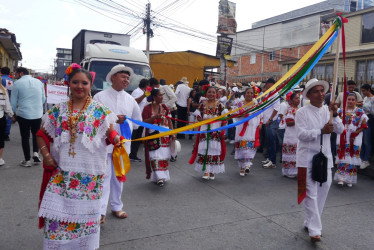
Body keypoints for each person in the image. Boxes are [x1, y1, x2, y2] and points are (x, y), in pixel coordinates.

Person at [37, 64, 119, 249]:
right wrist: (46, 155)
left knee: (85, 223)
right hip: (62, 174)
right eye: (75, 82)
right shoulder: (58, 110)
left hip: (89, 176)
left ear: (90, 85)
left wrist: (117, 140)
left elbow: (110, 133)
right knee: (56, 220)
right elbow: (41, 134)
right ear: (68, 83)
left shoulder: (100, 111)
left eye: (84, 83)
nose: (79, 86)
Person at [296, 78, 344, 242]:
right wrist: (320, 131)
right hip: (306, 158)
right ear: (309, 95)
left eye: (322, 91)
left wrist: (335, 114)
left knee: (323, 192)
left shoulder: (328, 110)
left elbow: (340, 129)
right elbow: (301, 134)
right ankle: (315, 230)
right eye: (316, 91)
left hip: (325, 159)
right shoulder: (301, 112)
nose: (320, 94)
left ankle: (310, 222)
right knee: (311, 194)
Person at [93, 64, 142, 223]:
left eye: (128, 78)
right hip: (104, 144)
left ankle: (116, 207)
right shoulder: (100, 96)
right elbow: (94, 119)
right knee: (104, 177)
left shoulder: (131, 100)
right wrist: (114, 119)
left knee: (119, 177)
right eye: (123, 77)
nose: (126, 80)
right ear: (113, 77)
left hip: (122, 146)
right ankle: (100, 212)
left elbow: (137, 122)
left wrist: (126, 122)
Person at [11, 67, 45, 167]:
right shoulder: (39, 82)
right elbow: (43, 99)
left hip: (23, 114)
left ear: (21, 73)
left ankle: (27, 160)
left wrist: (12, 114)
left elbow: (13, 101)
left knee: (25, 137)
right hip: (37, 113)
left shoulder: (17, 83)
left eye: (16, 74)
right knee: (36, 134)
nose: (15, 76)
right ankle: (35, 153)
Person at [190, 86, 226, 180]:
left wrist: (222, 130)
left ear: (216, 94)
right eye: (209, 92)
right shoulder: (202, 104)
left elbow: (224, 118)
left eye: (213, 92)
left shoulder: (220, 105)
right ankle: (206, 170)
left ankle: (212, 171)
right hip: (205, 129)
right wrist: (204, 120)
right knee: (205, 148)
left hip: (215, 130)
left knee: (214, 149)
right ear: (206, 93)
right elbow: (198, 116)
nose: (211, 94)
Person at [142, 88, 175, 187]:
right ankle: (159, 177)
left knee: (164, 157)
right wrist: (153, 118)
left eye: (162, 95)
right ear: (154, 97)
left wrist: (172, 133)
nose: (162, 97)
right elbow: (144, 121)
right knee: (155, 156)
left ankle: (160, 176)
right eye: (160, 95)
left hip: (164, 136)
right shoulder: (147, 108)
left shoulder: (165, 107)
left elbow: (169, 121)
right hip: (153, 136)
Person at [335, 93, 368, 187]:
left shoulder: (360, 111)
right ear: (346, 100)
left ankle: (350, 179)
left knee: (352, 158)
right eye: (349, 99)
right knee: (343, 157)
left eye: (353, 100)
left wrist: (356, 132)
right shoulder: (340, 111)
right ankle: (341, 177)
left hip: (355, 138)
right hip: (343, 137)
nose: (351, 101)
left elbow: (364, 125)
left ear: (356, 101)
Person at [234, 87, 262, 176]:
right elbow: (234, 114)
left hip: (252, 128)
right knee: (243, 148)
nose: (249, 94)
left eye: (251, 93)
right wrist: (241, 114)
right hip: (242, 128)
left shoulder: (256, 104)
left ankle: (247, 166)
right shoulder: (239, 104)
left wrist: (260, 123)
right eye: (248, 93)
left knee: (250, 148)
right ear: (244, 94)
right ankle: (242, 167)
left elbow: (261, 115)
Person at [129, 78, 150, 162]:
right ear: (146, 85)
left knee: (138, 138)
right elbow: (134, 101)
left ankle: (133, 155)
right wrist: (144, 95)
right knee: (133, 138)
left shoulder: (143, 92)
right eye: (148, 85)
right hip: (135, 119)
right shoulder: (136, 91)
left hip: (141, 119)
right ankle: (128, 154)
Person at [262, 78, 280, 169]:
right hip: (267, 120)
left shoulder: (275, 94)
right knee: (268, 141)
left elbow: (276, 109)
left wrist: (270, 119)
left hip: (271, 121)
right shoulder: (269, 93)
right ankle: (269, 158)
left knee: (272, 141)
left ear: (272, 84)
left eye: (268, 84)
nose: (266, 85)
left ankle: (273, 161)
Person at [281, 92, 300, 178]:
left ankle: (294, 171)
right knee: (291, 152)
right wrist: (299, 121)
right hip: (291, 134)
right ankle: (289, 171)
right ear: (291, 100)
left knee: (296, 153)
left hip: (297, 134)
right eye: (296, 98)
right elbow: (288, 123)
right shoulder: (290, 110)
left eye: (299, 98)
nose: (298, 100)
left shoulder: (299, 109)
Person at [0, 82, 15, 165]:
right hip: (0, 116)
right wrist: (11, 115)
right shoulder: (3, 90)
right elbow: (7, 106)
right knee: (0, 138)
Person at [360, 84, 374, 169]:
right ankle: (361, 158)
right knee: (362, 141)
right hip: (363, 120)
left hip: (369, 121)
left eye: (364, 91)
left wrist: (365, 108)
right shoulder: (365, 98)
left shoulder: (373, 99)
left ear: (368, 90)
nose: (363, 93)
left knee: (367, 141)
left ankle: (366, 159)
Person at [1, 67, 13, 141]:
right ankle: (6, 134)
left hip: (1, 99)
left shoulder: (1, 79)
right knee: (8, 118)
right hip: (8, 100)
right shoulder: (11, 80)